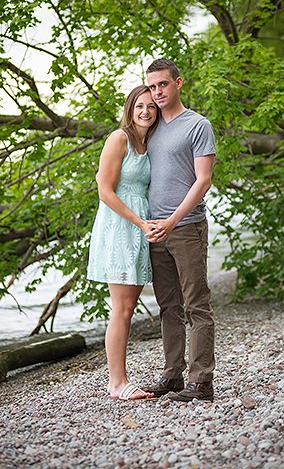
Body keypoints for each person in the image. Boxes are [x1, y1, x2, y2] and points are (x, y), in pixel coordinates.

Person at [139, 58, 218, 403]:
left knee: (196, 306)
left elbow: (204, 180)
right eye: (152, 86)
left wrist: (172, 220)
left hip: (186, 228)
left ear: (178, 83)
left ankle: (201, 383)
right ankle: (172, 376)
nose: (157, 92)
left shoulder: (197, 125)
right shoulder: (151, 128)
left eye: (163, 85)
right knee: (168, 306)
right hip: (156, 231)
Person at [87, 84, 159, 401]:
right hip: (120, 227)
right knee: (122, 308)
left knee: (129, 307)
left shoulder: (150, 144)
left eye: (151, 107)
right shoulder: (119, 139)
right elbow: (105, 191)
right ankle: (117, 382)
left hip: (140, 227)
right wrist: (139, 222)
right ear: (130, 109)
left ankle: (120, 379)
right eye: (139, 106)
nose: (145, 111)